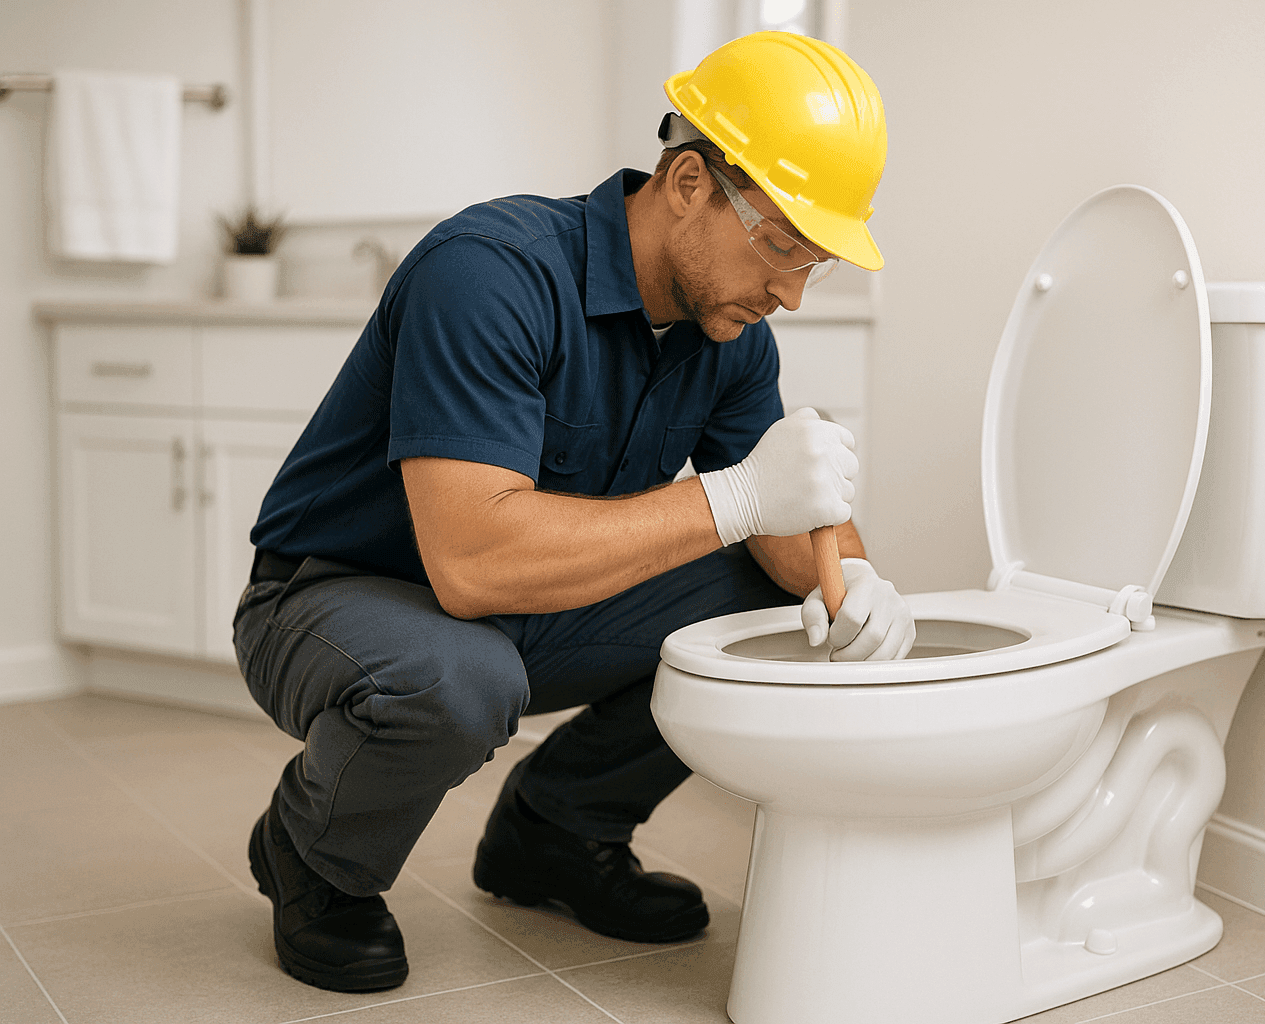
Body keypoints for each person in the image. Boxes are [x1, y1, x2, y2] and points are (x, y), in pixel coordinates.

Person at [234, 31, 914, 993]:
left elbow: (784, 537)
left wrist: (857, 586)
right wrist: (736, 494)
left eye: (819, 262)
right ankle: (314, 853)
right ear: (687, 184)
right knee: (457, 677)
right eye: (780, 244)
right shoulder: (491, 272)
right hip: (333, 600)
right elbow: (473, 564)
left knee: (771, 618)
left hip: (525, 610)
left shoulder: (729, 335)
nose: (793, 292)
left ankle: (555, 833)